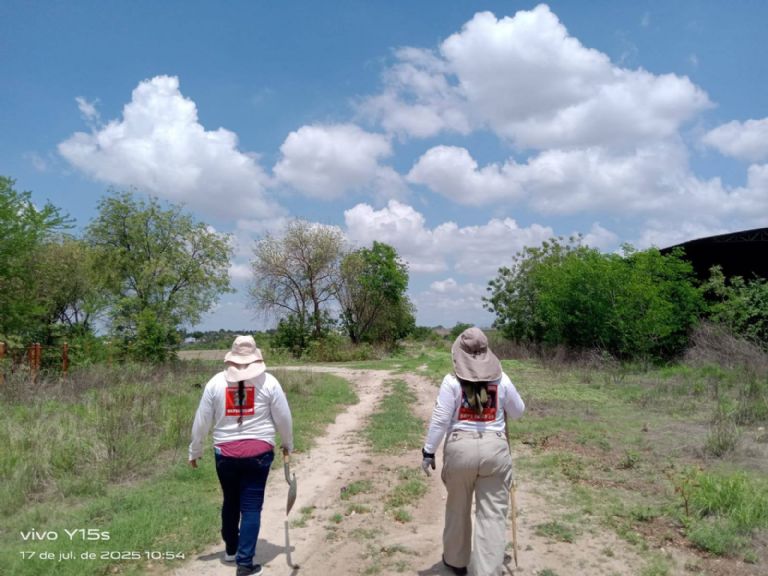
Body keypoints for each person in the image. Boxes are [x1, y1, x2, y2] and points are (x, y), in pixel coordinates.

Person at [421, 327, 525, 576]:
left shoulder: (451, 381)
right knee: (492, 515)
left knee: (457, 508)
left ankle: (456, 561)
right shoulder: (502, 379)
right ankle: (487, 570)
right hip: (495, 451)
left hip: (460, 452)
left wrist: (428, 451)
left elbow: (440, 420)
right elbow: (518, 411)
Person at [189, 335, 294, 576]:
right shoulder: (269, 382)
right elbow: (284, 418)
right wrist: (288, 444)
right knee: (251, 507)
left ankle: (231, 549)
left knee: (231, 500)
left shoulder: (215, 383)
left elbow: (201, 421)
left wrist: (195, 450)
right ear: (255, 358)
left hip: (225, 455)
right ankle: (245, 563)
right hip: (258, 455)